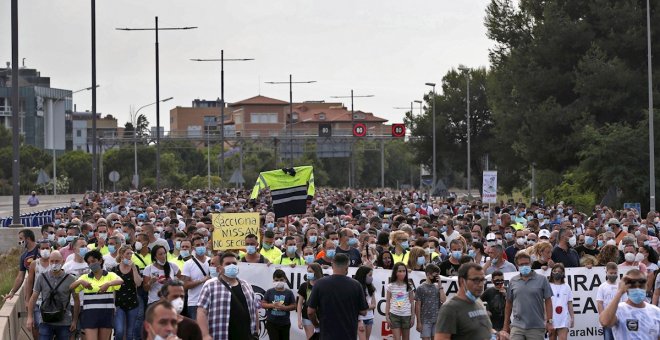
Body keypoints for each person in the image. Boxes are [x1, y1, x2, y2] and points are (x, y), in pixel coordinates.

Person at [197, 252, 260, 340]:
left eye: (234, 263)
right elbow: (201, 311)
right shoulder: (210, 286)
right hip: (221, 335)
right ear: (219, 268)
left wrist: (256, 332)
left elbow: (255, 309)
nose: (231, 266)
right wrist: (205, 335)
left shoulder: (246, 285)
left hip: (247, 336)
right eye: (227, 264)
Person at [307, 253, 369, 340]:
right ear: (347, 267)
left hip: (326, 334)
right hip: (348, 335)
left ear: (332, 265)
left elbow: (310, 312)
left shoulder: (320, 284)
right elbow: (364, 311)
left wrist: (317, 325)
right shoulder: (356, 285)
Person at [70, 249, 124, 340]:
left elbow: (121, 281)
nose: (92, 264)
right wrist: (81, 281)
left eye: (94, 261)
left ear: (100, 260)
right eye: (89, 262)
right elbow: (71, 287)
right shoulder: (85, 277)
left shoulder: (110, 275)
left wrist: (108, 284)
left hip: (106, 314)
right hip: (90, 315)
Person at [26, 250, 79, 340]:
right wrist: (30, 317)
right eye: (52, 261)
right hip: (45, 321)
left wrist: (74, 321)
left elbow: (76, 300)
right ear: (49, 261)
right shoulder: (41, 277)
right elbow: (33, 298)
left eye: (57, 261)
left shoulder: (71, 279)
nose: (54, 264)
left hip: (64, 321)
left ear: (62, 261)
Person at [502, 252, 554, 340]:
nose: (524, 266)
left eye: (526, 263)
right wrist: (506, 326)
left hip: (536, 327)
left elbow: (548, 301)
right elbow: (508, 304)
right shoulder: (513, 281)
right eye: (521, 264)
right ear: (517, 266)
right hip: (517, 326)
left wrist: (549, 321)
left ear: (530, 263)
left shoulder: (542, 279)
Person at [435, 262, 493, 340]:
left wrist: (497, 334)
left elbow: (481, 329)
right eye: (476, 280)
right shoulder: (450, 308)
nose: (480, 284)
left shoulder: (478, 301)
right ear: (462, 281)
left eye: (482, 280)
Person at [599, 268, 660, 339]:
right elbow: (604, 322)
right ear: (626, 288)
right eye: (633, 287)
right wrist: (620, 291)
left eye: (641, 286)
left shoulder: (656, 312)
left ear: (646, 286)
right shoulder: (618, 310)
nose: (637, 289)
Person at [113, 245, 142, 340]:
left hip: (133, 303)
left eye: (131, 253)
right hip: (119, 303)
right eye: (127, 253)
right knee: (120, 331)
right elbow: (113, 289)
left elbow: (138, 283)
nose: (130, 256)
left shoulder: (135, 267)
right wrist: (113, 304)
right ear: (121, 255)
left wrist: (133, 268)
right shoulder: (115, 269)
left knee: (130, 333)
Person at [4, 229, 39, 302]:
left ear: (28, 238)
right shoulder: (23, 256)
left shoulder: (40, 249)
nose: (19, 241)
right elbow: (20, 276)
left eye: (21, 238)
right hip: (33, 289)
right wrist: (12, 292)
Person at [181, 236, 211, 320]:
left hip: (211, 301)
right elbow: (185, 285)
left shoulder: (211, 261)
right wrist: (202, 280)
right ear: (193, 248)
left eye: (202, 244)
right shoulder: (188, 264)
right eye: (198, 245)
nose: (201, 247)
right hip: (195, 303)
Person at [262, 269, 296, 340]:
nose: (279, 282)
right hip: (271, 323)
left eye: (281, 280)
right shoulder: (269, 292)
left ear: (285, 280)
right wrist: (273, 305)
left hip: (285, 323)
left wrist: (285, 308)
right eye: (277, 280)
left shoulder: (289, 292)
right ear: (273, 280)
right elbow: (263, 304)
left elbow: (294, 305)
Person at [415, 263, 445, 340]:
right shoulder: (421, 288)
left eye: (438, 276)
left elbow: (443, 300)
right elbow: (417, 306)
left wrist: (440, 285)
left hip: (437, 320)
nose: (437, 278)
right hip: (425, 320)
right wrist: (418, 322)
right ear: (428, 274)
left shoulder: (438, 287)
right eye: (436, 275)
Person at [597, 262, 627, 340]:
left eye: (615, 273)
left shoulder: (620, 286)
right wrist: (602, 316)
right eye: (611, 273)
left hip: (619, 319)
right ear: (606, 272)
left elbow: (625, 302)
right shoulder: (602, 287)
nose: (613, 275)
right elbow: (600, 302)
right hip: (607, 319)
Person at [386, 262, 415, 340]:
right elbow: (388, 301)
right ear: (395, 272)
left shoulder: (409, 286)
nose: (402, 273)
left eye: (404, 271)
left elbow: (412, 302)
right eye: (399, 271)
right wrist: (387, 316)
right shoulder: (390, 286)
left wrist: (412, 316)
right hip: (394, 315)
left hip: (406, 315)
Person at [297, 263, 323, 339]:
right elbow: (299, 304)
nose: (308, 273)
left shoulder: (323, 285)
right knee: (310, 337)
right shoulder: (304, 285)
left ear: (317, 272)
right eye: (308, 271)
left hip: (321, 316)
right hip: (307, 315)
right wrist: (299, 319)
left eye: (311, 271)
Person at [548, 263, 574, 340]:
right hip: (551, 318)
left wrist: (572, 317)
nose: (557, 273)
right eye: (555, 271)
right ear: (552, 272)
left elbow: (569, 303)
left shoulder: (567, 286)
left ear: (563, 273)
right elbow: (544, 303)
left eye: (559, 271)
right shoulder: (548, 285)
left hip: (564, 318)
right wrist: (546, 319)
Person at [355, 266, 377, 340]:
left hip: (370, 317)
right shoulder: (357, 287)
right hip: (360, 318)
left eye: (371, 275)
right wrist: (359, 320)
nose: (371, 277)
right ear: (363, 275)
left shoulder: (371, 288)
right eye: (369, 275)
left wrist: (364, 307)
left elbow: (374, 305)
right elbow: (357, 306)